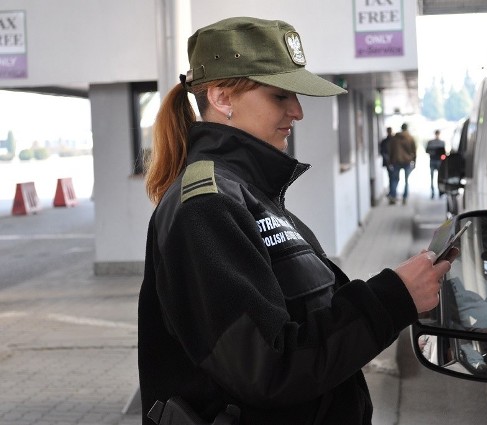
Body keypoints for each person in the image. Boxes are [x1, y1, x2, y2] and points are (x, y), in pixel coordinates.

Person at [138, 17, 452, 425]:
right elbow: (267, 368)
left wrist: (397, 290)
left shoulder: (249, 195)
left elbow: (307, 325)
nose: (298, 111)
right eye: (280, 95)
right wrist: (393, 298)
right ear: (221, 97)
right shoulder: (206, 205)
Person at [388, 123, 417, 205]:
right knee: (406, 180)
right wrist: (414, 161)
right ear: (407, 128)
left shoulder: (395, 138)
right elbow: (414, 151)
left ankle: (393, 196)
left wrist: (390, 161)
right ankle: (404, 197)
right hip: (407, 161)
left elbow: (391, 150)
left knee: (394, 179)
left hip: (396, 161)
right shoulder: (410, 138)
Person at [425, 130, 446, 198]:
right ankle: (434, 192)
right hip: (434, 160)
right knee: (433, 178)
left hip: (438, 161)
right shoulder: (432, 142)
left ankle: (439, 191)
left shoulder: (441, 142)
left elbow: (444, 153)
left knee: (439, 178)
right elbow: (427, 151)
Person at [378, 126, 394, 197]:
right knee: (391, 177)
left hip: (394, 161)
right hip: (389, 162)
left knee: (393, 178)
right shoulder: (385, 141)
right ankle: (392, 193)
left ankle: (392, 192)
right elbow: (382, 151)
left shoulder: (394, 140)